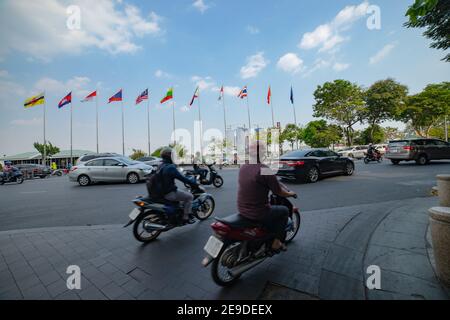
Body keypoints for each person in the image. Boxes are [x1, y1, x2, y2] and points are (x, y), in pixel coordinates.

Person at [237, 140, 296, 252]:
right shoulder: (264, 170)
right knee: (284, 211)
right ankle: (276, 242)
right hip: (258, 212)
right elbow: (279, 192)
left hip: (242, 209)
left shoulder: (243, 167)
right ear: (262, 153)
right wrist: (290, 193)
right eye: (264, 149)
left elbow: (271, 182)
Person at [159, 147, 199, 225]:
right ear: (169, 156)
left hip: (159, 192)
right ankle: (186, 217)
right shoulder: (170, 167)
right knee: (190, 197)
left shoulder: (160, 165)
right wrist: (193, 183)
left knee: (181, 197)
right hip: (169, 193)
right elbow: (183, 178)